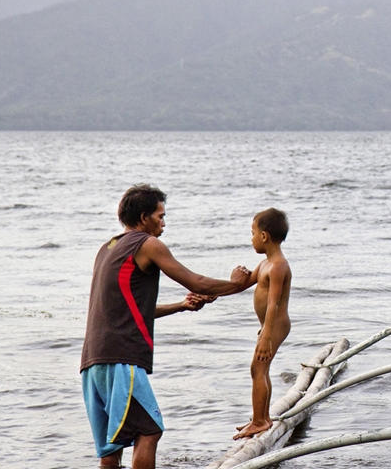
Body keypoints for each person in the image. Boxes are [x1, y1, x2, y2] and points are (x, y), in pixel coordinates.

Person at [81, 184, 252, 469]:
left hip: (92, 360)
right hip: (121, 358)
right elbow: (195, 281)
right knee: (149, 430)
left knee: (110, 449)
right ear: (144, 216)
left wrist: (182, 306)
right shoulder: (146, 244)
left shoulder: (108, 248)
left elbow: (127, 311)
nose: (163, 222)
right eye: (160, 216)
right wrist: (236, 284)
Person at [233, 208, 292, 440]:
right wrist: (232, 279)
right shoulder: (265, 264)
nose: (252, 239)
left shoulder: (278, 266)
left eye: (253, 233)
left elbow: (273, 304)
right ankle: (263, 418)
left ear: (264, 236)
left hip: (275, 325)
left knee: (257, 369)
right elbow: (241, 285)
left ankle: (259, 421)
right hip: (268, 326)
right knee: (261, 369)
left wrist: (266, 335)